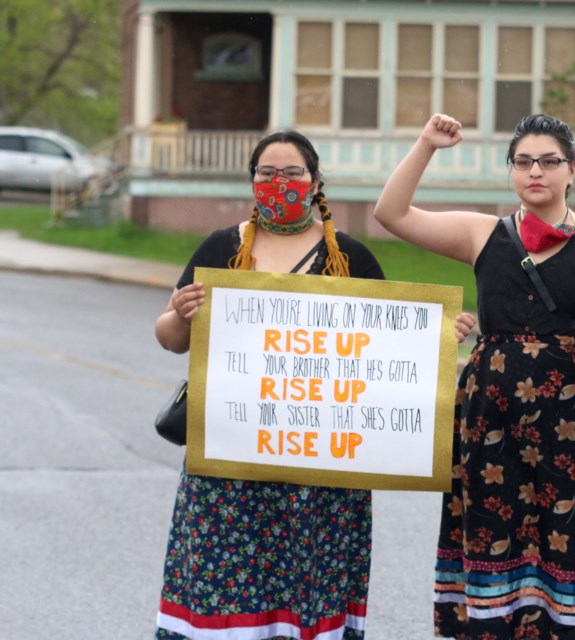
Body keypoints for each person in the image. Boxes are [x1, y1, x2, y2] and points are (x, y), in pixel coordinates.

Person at [374, 113, 575, 638]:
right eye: (523, 161)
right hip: (493, 421)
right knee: (495, 529)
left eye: (550, 161)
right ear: (512, 170)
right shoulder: (484, 233)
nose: (536, 171)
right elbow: (390, 214)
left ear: (572, 170)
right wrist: (426, 145)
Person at [153, 130, 385, 639]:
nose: (279, 182)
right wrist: (182, 313)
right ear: (252, 180)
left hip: (320, 462)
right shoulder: (222, 247)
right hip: (230, 456)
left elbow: (389, 350)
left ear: (316, 181)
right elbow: (170, 339)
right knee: (225, 575)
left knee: (307, 579)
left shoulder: (349, 257)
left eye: (292, 173)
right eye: (267, 173)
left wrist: (441, 336)